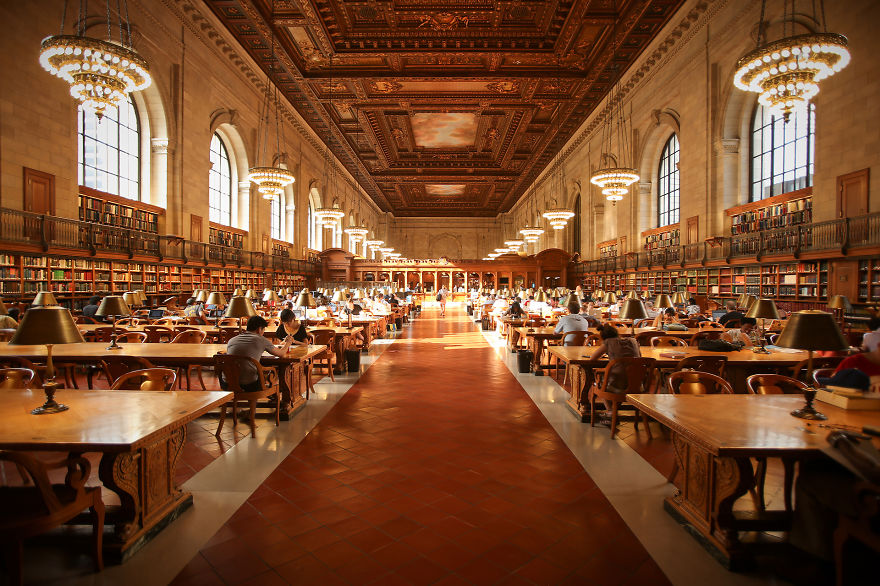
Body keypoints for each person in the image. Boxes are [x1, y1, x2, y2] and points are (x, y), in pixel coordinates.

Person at [227, 315, 292, 392]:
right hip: (250, 384)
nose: (263, 332)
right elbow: (281, 353)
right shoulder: (261, 340)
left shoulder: (231, 340)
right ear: (259, 329)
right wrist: (288, 343)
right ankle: (254, 402)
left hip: (228, 383)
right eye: (263, 329)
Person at [588, 324, 642, 409]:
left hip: (617, 385)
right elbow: (639, 357)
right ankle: (614, 410)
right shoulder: (633, 341)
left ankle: (610, 412)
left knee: (600, 383)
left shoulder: (608, 342)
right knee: (615, 376)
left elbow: (592, 359)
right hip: (638, 384)